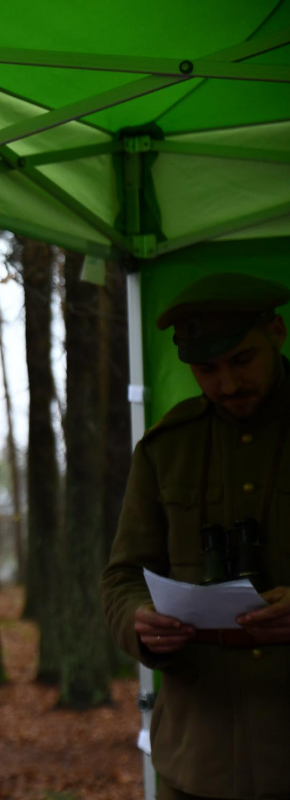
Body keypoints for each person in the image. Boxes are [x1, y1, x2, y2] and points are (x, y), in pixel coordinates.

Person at [101, 274, 290, 800]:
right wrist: (139, 620)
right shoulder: (167, 447)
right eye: (207, 369)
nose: (227, 384)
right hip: (199, 759)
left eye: (242, 360)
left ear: (276, 331)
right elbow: (123, 576)